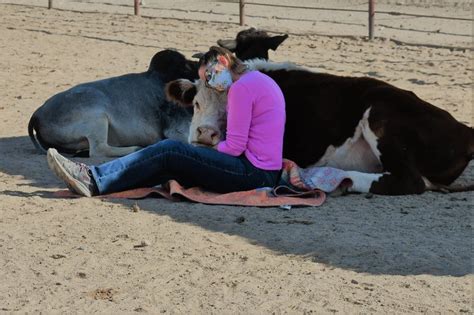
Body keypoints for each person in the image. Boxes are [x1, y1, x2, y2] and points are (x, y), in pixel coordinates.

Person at [46, 46, 286, 197]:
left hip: (253, 174)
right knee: (170, 160)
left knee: (172, 149)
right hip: (264, 172)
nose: (211, 84)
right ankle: (98, 180)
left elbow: (234, 147)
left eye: (210, 76)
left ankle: (92, 178)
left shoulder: (242, 89)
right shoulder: (259, 80)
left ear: (223, 62)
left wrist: (197, 151)